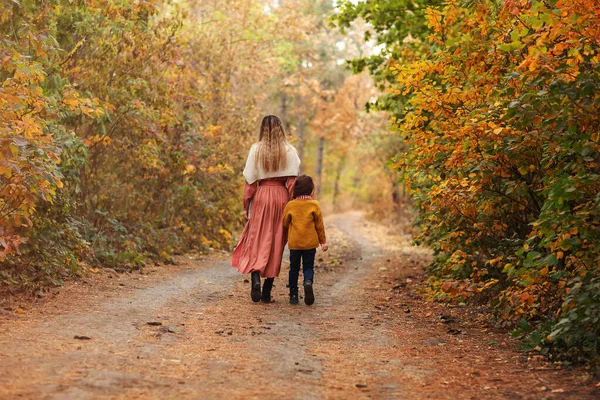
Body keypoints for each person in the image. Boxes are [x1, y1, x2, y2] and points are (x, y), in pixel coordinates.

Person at [232, 115, 301, 303]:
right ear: (281, 128)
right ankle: (267, 290)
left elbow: (250, 182)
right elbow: (293, 182)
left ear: (262, 129)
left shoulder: (256, 150)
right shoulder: (289, 150)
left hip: (262, 196)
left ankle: (255, 277)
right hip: (281, 197)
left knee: (257, 239)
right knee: (277, 241)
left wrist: (246, 206)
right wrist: (293, 204)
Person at [282, 174, 328, 305]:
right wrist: (323, 242)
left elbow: (284, 222)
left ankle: (294, 295)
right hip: (310, 244)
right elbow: (320, 226)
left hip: (295, 244)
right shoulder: (315, 205)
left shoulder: (291, 205)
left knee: (294, 269)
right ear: (311, 190)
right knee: (308, 267)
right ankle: (308, 282)